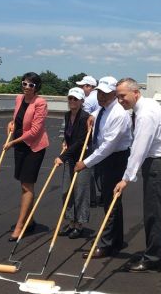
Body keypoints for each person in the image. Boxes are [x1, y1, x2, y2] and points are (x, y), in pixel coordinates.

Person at [113, 77, 161, 272]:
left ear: (136, 93)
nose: (120, 100)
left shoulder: (145, 115)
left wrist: (126, 178)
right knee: (153, 212)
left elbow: (139, 149)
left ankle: (153, 258)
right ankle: (153, 252)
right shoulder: (149, 104)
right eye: (117, 97)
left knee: (154, 214)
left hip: (158, 165)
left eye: (122, 96)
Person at [75, 76, 132, 258]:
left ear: (114, 93)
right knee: (112, 200)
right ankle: (116, 240)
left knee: (110, 201)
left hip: (115, 158)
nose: (101, 96)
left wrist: (86, 162)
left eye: (106, 93)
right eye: (99, 92)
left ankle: (107, 244)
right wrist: (93, 116)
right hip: (105, 157)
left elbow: (109, 146)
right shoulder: (103, 108)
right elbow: (99, 118)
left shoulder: (119, 114)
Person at [3, 72, 49, 241]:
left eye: (31, 85)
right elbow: (18, 119)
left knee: (27, 186)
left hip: (34, 147)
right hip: (20, 146)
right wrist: (11, 124)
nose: (27, 87)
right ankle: (29, 221)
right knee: (23, 185)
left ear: (37, 88)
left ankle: (20, 225)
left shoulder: (40, 103)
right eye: (24, 84)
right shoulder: (18, 99)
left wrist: (13, 142)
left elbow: (35, 131)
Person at [54, 87, 91, 239]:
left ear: (82, 101)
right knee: (66, 191)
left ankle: (79, 225)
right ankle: (70, 222)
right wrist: (64, 142)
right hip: (70, 156)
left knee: (80, 192)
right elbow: (68, 137)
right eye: (70, 98)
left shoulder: (85, 117)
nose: (72, 101)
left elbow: (80, 141)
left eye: (75, 99)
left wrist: (62, 157)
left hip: (82, 158)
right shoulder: (67, 115)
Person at [76, 75, 101, 207]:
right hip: (99, 136)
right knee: (98, 167)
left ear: (89, 87)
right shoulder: (99, 98)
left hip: (89, 138)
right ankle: (102, 195)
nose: (81, 88)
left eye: (83, 86)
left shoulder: (89, 100)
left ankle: (91, 198)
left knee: (88, 166)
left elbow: (83, 119)